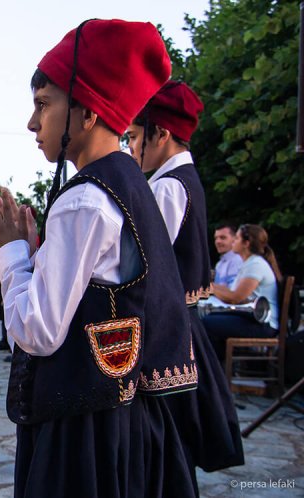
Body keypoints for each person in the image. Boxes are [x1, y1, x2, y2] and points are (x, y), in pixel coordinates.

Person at [0, 20, 197, 497]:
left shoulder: (83, 200)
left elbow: (37, 332)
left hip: (81, 429)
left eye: (43, 105)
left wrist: (10, 254)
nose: (33, 124)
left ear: (88, 110)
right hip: (122, 415)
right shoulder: (129, 181)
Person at [126, 81, 244, 477]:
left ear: (161, 133)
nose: (128, 147)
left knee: (166, 445)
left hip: (170, 331)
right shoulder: (185, 179)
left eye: (134, 137)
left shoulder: (167, 187)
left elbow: (146, 264)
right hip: (185, 323)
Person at [204, 224, 281, 360]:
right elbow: (230, 291)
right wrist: (206, 284)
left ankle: (216, 371)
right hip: (255, 320)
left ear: (246, 243)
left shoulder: (256, 265)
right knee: (209, 320)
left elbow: (235, 298)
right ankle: (218, 371)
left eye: (237, 238)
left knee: (205, 323)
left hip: (263, 324)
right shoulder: (249, 263)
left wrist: (210, 288)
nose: (233, 241)